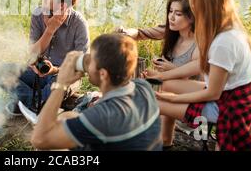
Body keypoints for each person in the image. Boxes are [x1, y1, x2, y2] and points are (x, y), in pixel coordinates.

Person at [155, 0, 251, 150]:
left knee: (155, 104)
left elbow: (212, 94)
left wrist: (175, 99)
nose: (192, 9)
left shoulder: (224, 43)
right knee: (168, 85)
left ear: (206, 8)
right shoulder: (229, 27)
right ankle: (165, 142)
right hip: (231, 96)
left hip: (232, 109)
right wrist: (163, 77)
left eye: (195, 4)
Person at [31, 33, 162, 151]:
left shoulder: (103, 115)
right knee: (67, 117)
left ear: (103, 74)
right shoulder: (143, 87)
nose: (88, 61)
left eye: (92, 60)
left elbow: (39, 140)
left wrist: (61, 84)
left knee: (49, 146)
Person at [9, 0, 89, 115]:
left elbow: (80, 68)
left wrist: (54, 70)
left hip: (63, 76)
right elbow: (32, 54)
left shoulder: (79, 23)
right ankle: (38, 103)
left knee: (57, 85)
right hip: (38, 73)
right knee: (1, 72)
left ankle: (28, 102)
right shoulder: (38, 14)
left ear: (63, 5)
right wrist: (50, 30)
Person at [118, 0, 200, 79]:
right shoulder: (170, 31)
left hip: (184, 90)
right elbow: (141, 33)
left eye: (178, 14)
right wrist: (126, 32)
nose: (171, 17)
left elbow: (203, 85)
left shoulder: (199, 45)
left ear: (191, 17)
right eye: (170, 11)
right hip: (163, 86)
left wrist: (171, 69)